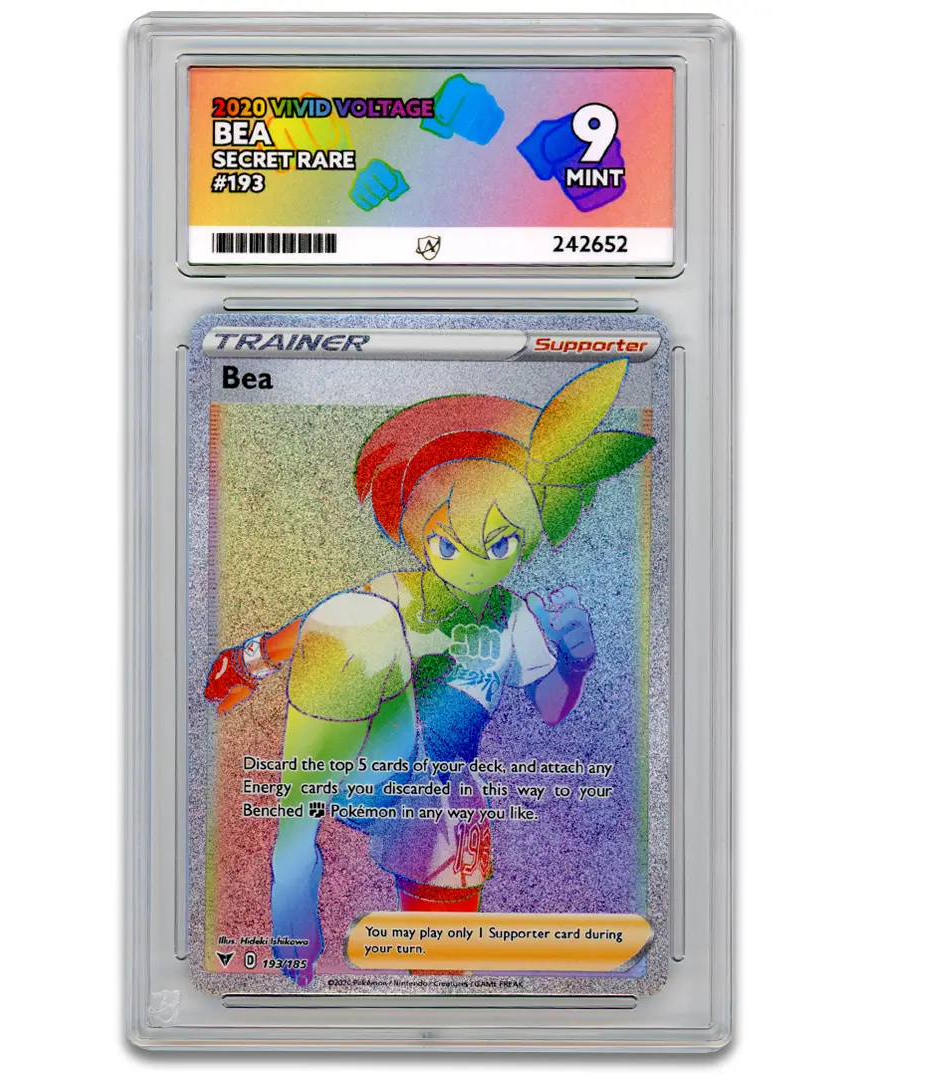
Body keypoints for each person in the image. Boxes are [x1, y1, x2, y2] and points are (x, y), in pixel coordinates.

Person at [205, 359, 654, 984]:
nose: (471, 564)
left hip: (435, 794)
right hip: (362, 758)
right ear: (418, 533)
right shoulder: (392, 594)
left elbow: (551, 705)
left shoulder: (514, 618)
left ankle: (431, 991)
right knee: (359, 619)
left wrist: (575, 661)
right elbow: (319, 629)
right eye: (448, 543)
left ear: (525, 541)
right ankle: (295, 850)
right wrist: (249, 659)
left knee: (440, 952)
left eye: (498, 545)